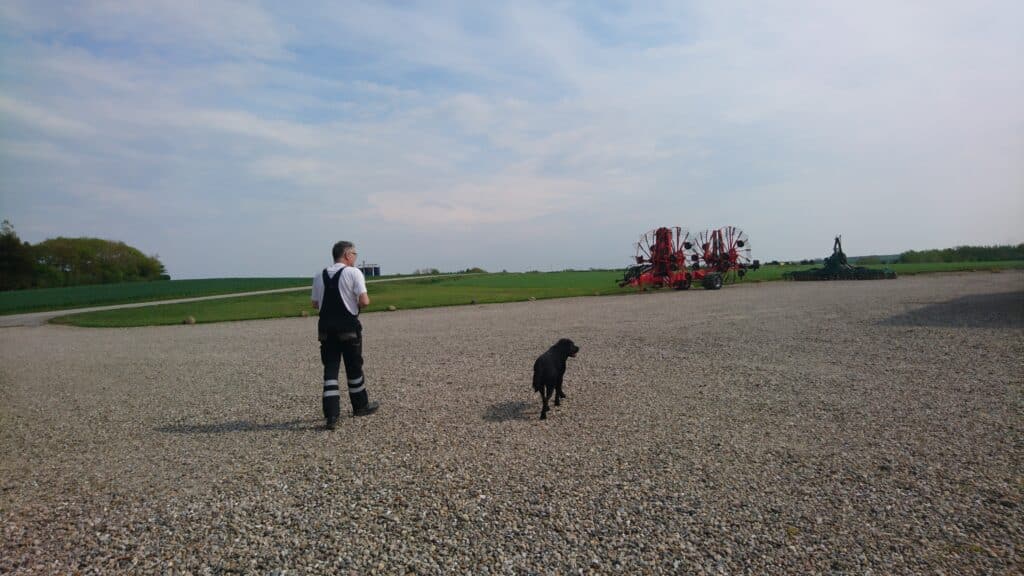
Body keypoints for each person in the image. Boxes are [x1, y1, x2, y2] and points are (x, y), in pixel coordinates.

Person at [311, 241, 379, 429]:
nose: (355, 257)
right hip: (348, 328)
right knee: (353, 367)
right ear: (348, 255)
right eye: (355, 254)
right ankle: (360, 406)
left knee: (330, 370)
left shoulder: (319, 275)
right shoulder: (353, 273)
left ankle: (331, 415)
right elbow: (364, 301)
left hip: (326, 330)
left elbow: (315, 304)